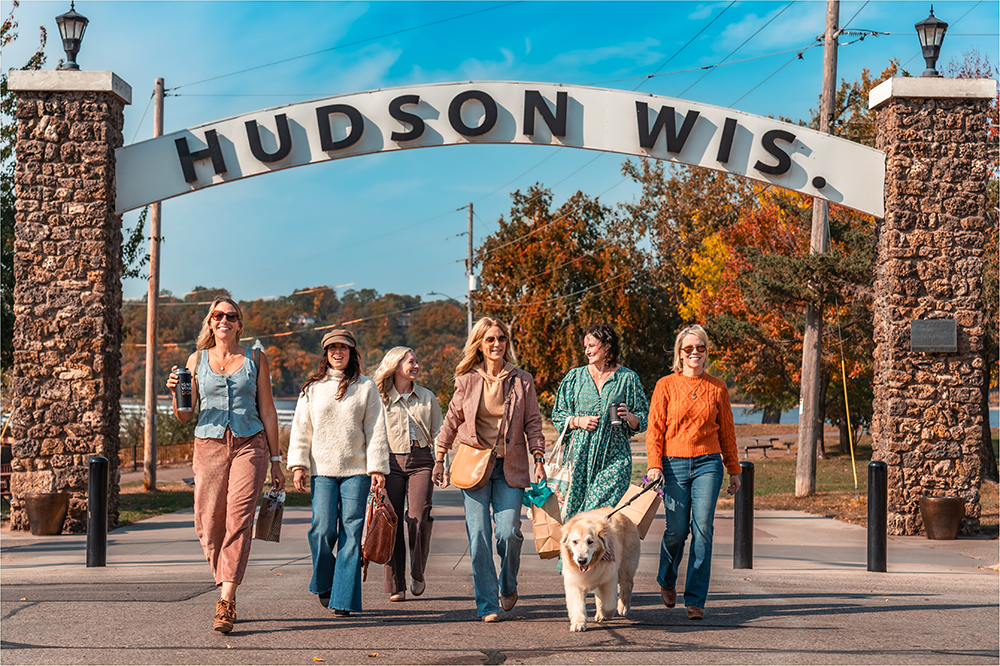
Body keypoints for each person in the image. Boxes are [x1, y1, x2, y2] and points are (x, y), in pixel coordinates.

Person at [166, 297, 285, 634]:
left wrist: (276, 461)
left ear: (239, 324)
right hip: (209, 443)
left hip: (251, 442)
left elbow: (269, 410)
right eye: (218, 315)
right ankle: (225, 577)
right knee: (207, 522)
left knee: (239, 517)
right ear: (210, 322)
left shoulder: (255, 359)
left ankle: (227, 599)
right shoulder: (195, 360)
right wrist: (174, 393)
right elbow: (185, 414)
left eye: (231, 316)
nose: (224, 320)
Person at [431, 317, 546, 623]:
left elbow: (533, 420)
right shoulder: (466, 380)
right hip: (474, 467)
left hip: (511, 465)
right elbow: (452, 419)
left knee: (509, 533)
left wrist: (538, 457)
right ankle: (487, 604)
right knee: (479, 535)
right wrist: (439, 457)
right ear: (479, 345)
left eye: (501, 339)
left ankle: (508, 583)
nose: (496, 344)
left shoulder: (522, 379)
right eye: (490, 340)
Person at [287, 329, 389, 617]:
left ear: (352, 352)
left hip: (357, 471)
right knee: (322, 529)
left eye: (343, 348)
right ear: (326, 353)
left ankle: (343, 598)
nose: (338, 353)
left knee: (352, 533)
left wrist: (378, 468)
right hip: (322, 472)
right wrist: (299, 465)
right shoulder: (313, 388)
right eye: (332, 348)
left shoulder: (366, 387)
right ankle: (325, 580)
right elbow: (301, 429)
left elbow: (376, 430)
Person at [645, 324, 741, 621]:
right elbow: (655, 430)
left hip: (708, 464)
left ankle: (696, 599)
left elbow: (727, 431)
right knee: (676, 530)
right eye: (689, 348)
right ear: (680, 353)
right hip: (672, 465)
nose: (695, 353)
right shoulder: (666, 385)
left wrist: (733, 469)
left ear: (706, 352)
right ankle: (667, 577)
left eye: (700, 348)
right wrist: (654, 464)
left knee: (703, 530)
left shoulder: (718, 387)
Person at [551, 323, 648, 521]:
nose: (586, 351)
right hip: (579, 460)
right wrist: (577, 421)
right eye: (585, 346)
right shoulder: (574, 378)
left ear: (607, 346)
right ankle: (576, 554)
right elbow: (558, 415)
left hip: (614, 459)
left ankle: (606, 553)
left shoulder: (628, 378)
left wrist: (630, 417)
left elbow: (644, 418)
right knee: (575, 516)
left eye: (592, 345)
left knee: (597, 516)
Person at [372, 346, 444, 602]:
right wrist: (375, 469)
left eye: (416, 361)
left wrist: (440, 462)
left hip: (422, 460)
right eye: (411, 361)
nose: (416, 365)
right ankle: (395, 584)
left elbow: (439, 432)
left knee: (419, 518)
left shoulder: (426, 397)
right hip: (388, 462)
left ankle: (418, 572)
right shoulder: (379, 398)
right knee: (390, 523)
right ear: (396, 365)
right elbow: (372, 436)